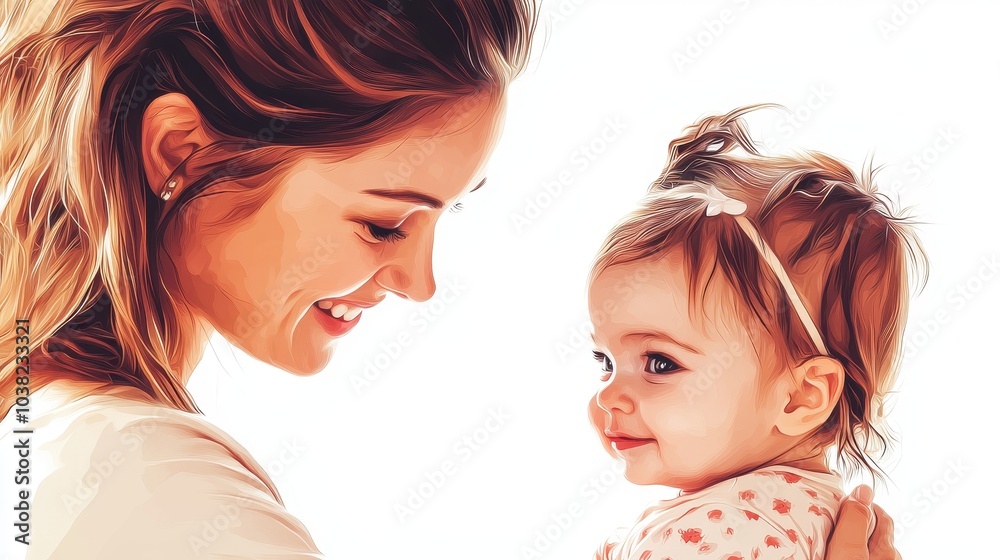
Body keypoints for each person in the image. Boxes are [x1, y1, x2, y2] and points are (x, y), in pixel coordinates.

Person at [0, 1, 900, 558]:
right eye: (385, 220)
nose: (420, 282)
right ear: (182, 152)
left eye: (445, 215)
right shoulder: (144, 483)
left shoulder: (49, 435)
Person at [585, 106, 924, 559]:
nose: (609, 397)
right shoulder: (796, 514)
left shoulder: (720, 530)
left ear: (801, 396)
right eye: (604, 362)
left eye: (660, 363)